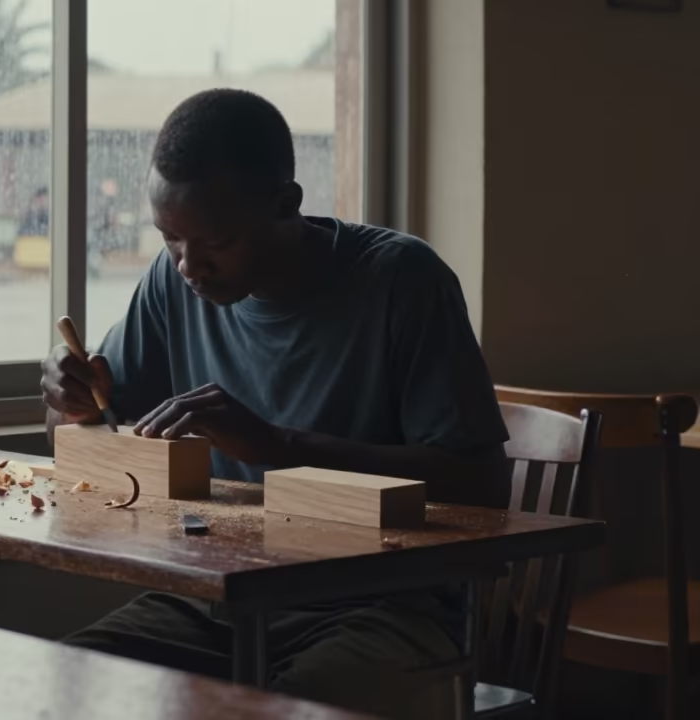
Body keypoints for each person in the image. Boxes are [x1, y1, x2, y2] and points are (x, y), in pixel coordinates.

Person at [40, 89, 509, 719]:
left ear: (285, 204)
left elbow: (483, 489)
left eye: (216, 242)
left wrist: (280, 449)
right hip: (216, 596)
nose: (188, 266)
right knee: (67, 688)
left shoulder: (402, 281)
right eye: (170, 239)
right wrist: (70, 406)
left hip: (387, 605)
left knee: (280, 710)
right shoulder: (172, 282)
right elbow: (91, 437)